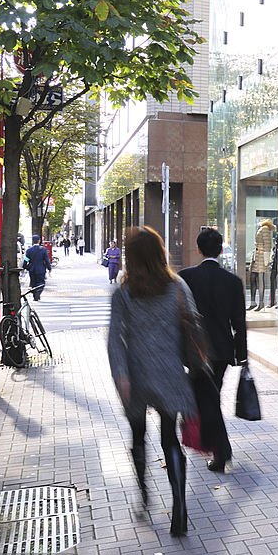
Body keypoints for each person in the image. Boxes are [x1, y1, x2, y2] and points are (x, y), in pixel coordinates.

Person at [107, 226, 200, 536]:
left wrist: (121, 375)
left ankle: (145, 493)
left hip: (137, 376)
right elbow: (194, 322)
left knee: (137, 437)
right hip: (170, 372)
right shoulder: (177, 287)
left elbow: (114, 340)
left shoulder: (124, 293)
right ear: (161, 254)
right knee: (170, 438)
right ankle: (180, 507)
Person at [178, 228, 246, 473]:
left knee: (207, 400)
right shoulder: (233, 281)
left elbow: (180, 318)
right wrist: (243, 356)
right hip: (223, 352)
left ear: (198, 249)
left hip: (195, 351)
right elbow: (239, 322)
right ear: (220, 250)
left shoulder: (185, 277)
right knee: (210, 397)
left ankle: (221, 452)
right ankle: (214, 448)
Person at [23, 235, 51, 301]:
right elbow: (46, 260)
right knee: (41, 283)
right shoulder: (43, 250)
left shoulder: (29, 251)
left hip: (32, 270)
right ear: (39, 241)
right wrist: (49, 268)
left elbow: (26, 261)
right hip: (41, 269)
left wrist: (27, 267)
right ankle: (37, 294)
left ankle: (35, 295)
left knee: (33, 283)